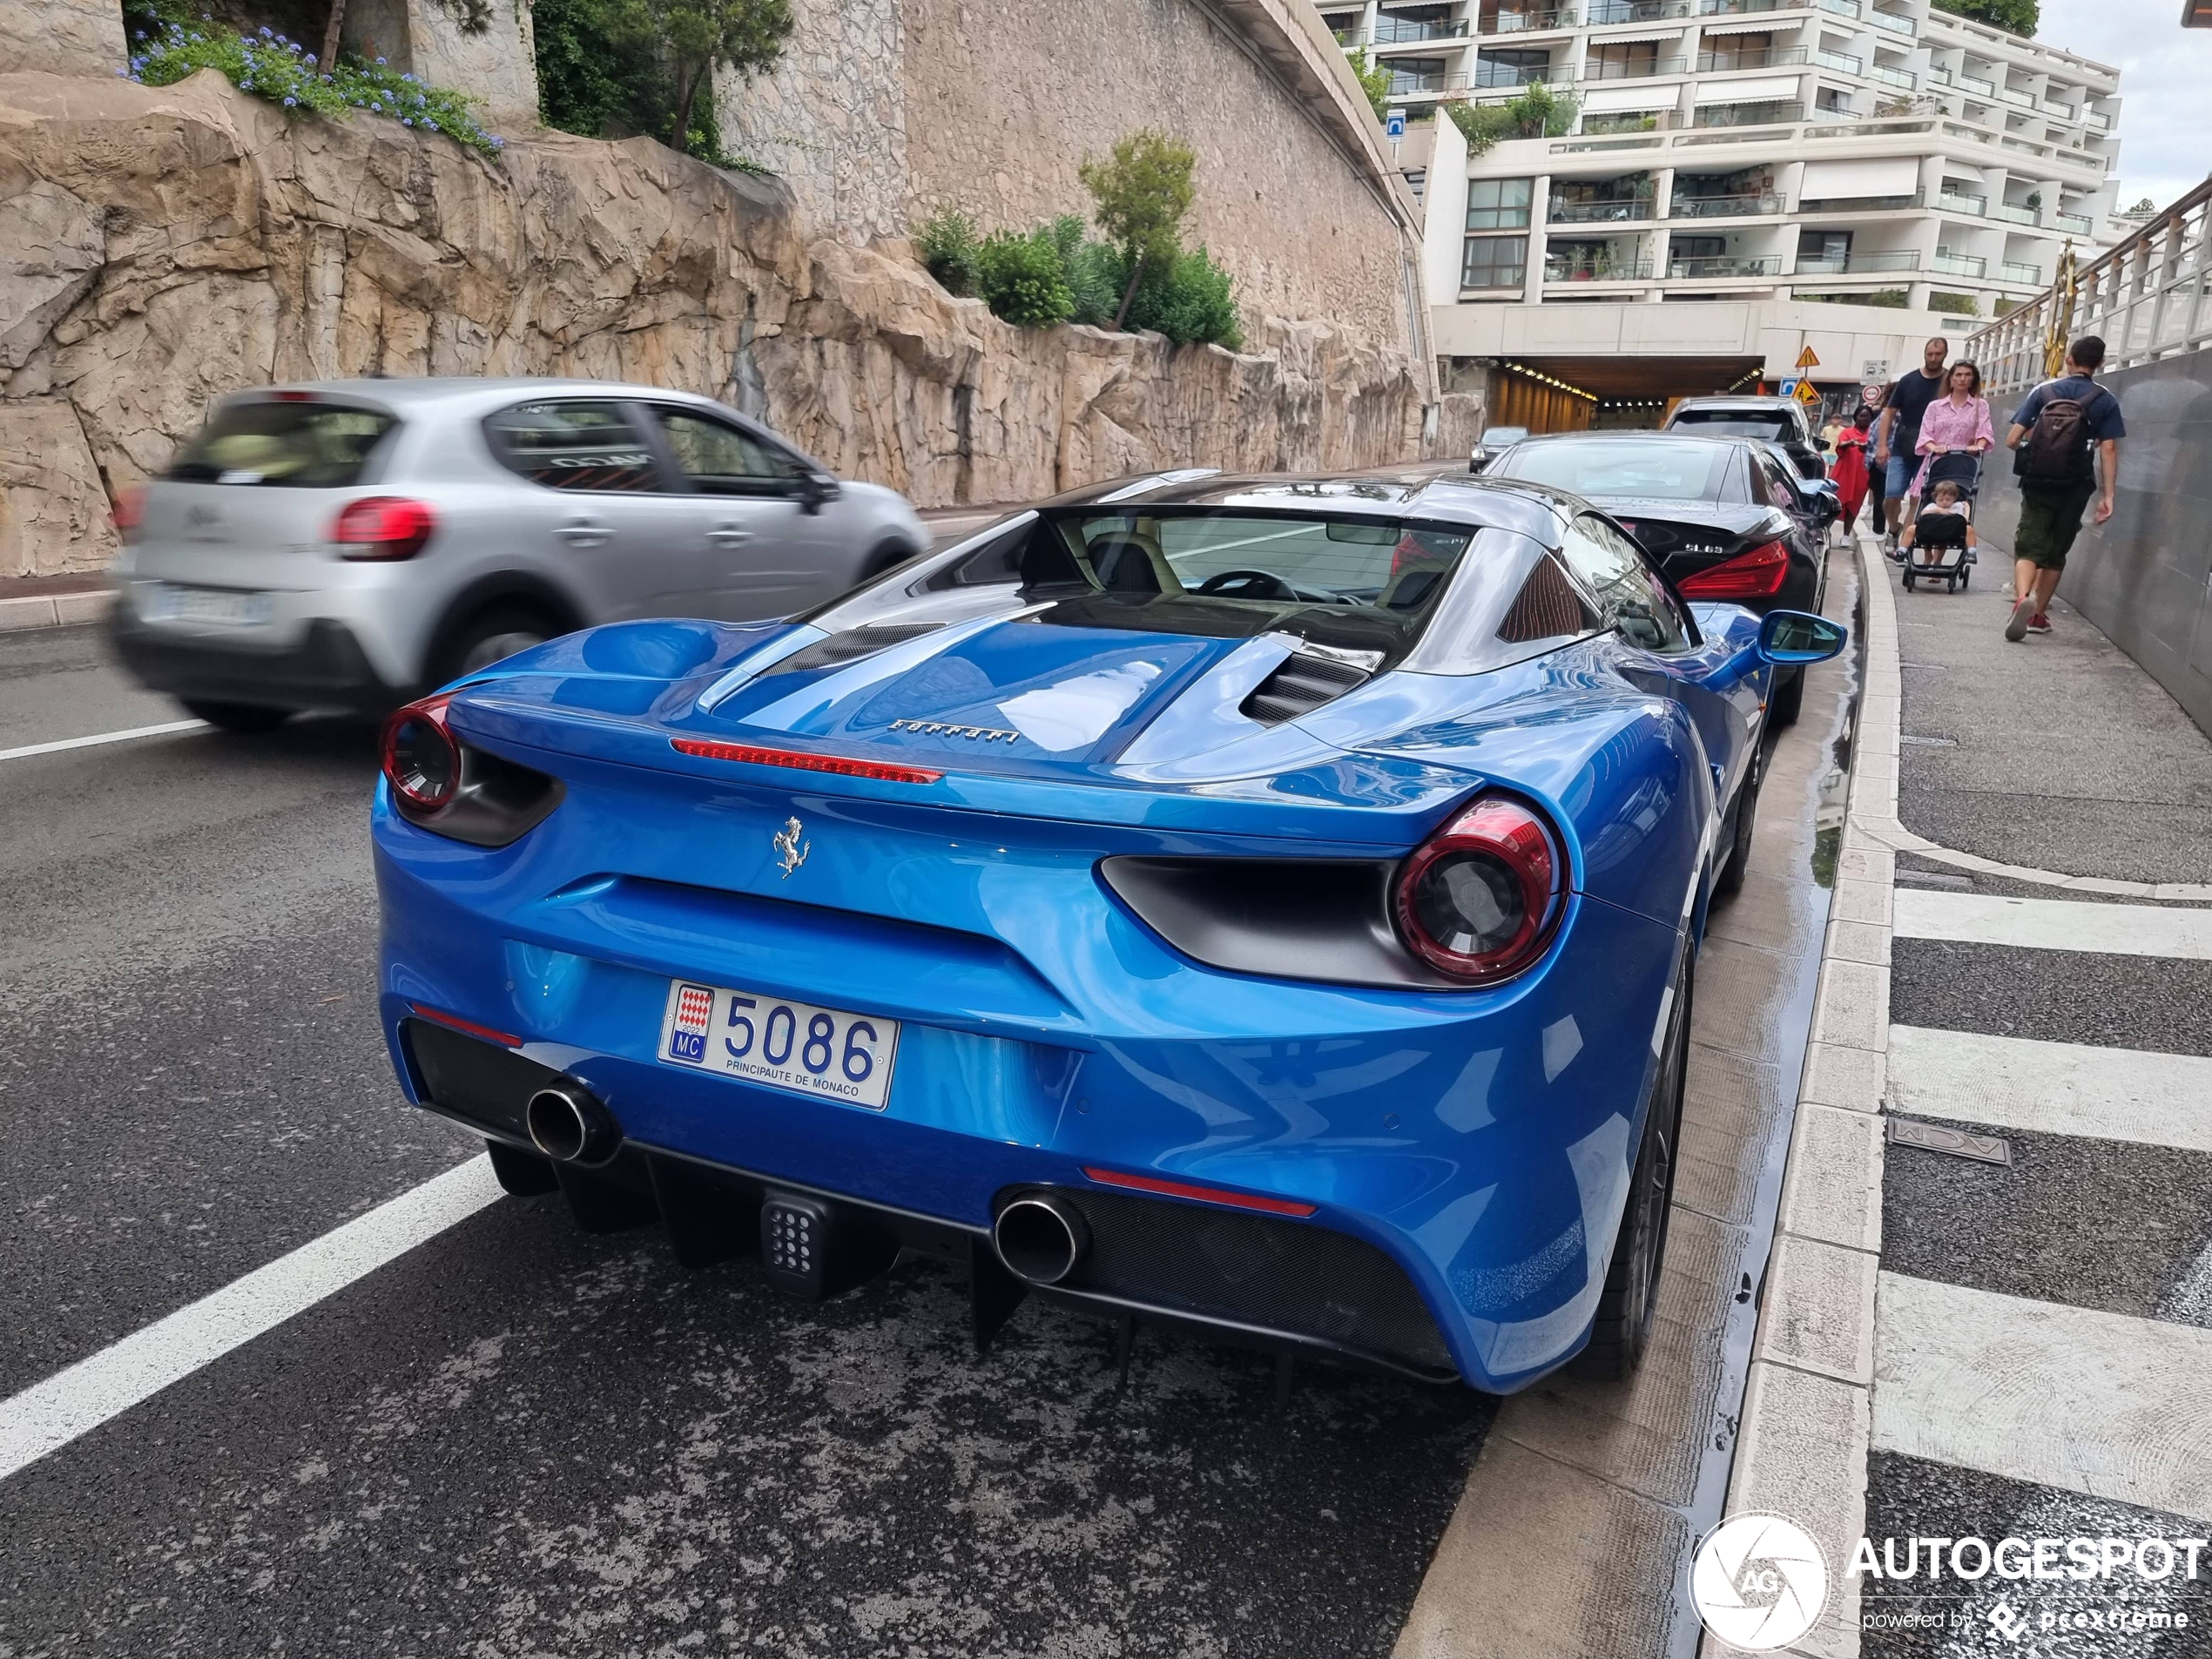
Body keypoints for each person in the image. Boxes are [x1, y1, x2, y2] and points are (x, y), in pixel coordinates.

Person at [2002, 334, 2125, 642]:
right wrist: (2108, 495)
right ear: (2101, 363)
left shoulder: (2044, 392)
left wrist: (2036, 449)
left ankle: (2022, 597)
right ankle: (2038, 615)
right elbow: (2108, 449)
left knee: (2029, 543)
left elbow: (2012, 439)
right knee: (2056, 551)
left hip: (2038, 480)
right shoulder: (2105, 399)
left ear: (2068, 358)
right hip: (2076, 483)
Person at [1874, 337, 1949, 554]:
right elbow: (1889, 412)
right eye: (1930, 354)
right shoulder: (1909, 381)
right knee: (1892, 495)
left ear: (1945, 355)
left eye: (1938, 354)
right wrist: (1882, 445)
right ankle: (1893, 529)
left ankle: (1903, 547)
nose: (1933, 358)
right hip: (1903, 447)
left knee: (1918, 498)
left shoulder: (1948, 381)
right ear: (1924, 354)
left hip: (1931, 451)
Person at [1912, 361, 1993, 502]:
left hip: (1964, 461)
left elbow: (1985, 431)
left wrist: (1978, 446)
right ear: (1951, 379)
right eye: (1958, 375)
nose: (1962, 379)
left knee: (1960, 501)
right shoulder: (1935, 407)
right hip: (1938, 460)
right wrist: (1935, 448)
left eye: (1967, 375)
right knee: (1924, 502)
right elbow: (1925, 435)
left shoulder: (1980, 405)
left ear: (1973, 379)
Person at [1897, 478, 1976, 577]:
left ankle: (1972, 552)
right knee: (1912, 529)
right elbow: (1923, 514)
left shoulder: (1957, 506)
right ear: (1935, 498)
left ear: (1955, 498)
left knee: (1969, 529)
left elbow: (1964, 520)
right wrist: (1938, 511)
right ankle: (1902, 550)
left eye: (1948, 500)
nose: (1944, 502)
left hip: (1951, 532)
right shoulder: (1932, 506)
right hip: (1930, 531)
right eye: (1941, 500)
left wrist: (1967, 509)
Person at [1831, 407, 1873, 536]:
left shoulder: (1873, 434)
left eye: (1867, 417)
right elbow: (1841, 445)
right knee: (1835, 503)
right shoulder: (1847, 432)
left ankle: (1846, 536)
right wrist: (1850, 443)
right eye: (1861, 416)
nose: (1864, 419)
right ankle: (1826, 531)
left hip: (1863, 475)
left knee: (1854, 505)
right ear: (1855, 417)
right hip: (1844, 473)